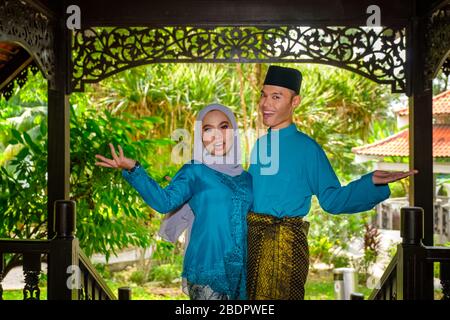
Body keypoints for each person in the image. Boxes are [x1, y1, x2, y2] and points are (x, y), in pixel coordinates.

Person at [247, 65, 417, 300]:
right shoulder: (259, 146)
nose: (266, 104)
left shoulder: (307, 149)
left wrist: (371, 183)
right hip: (253, 244)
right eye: (264, 95)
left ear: (295, 102)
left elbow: (332, 200)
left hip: (285, 248)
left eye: (276, 97)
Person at [95, 104, 252, 300]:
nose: (217, 135)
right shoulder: (194, 170)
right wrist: (134, 168)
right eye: (207, 129)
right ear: (200, 136)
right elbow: (164, 202)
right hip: (207, 270)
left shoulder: (246, 178)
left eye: (224, 127)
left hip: (240, 273)